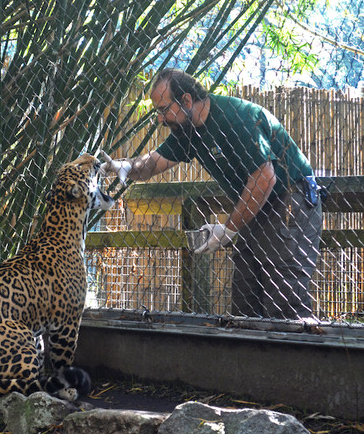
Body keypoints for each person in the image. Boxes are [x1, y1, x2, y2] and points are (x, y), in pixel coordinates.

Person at [101, 68, 322, 320]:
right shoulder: (189, 130)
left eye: (163, 110)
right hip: (256, 208)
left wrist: (227, 230)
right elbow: (155, 162)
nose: (161, 119)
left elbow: (265, 177)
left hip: (288, 202)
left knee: (285, 306)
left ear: (186, 100)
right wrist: (125, 167)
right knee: (245, 304)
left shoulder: (234, 118)